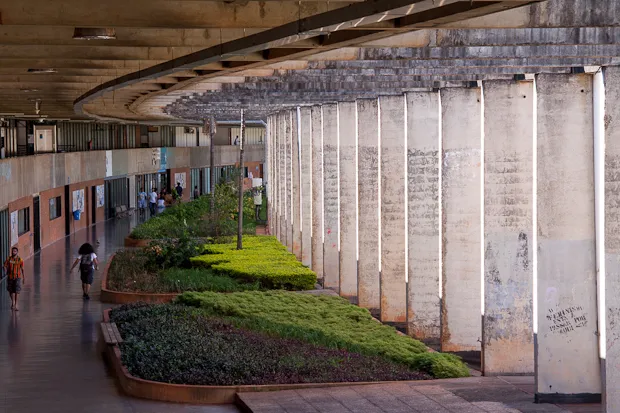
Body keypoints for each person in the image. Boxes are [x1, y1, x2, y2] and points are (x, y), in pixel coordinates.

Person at [4, 247, 24, 311]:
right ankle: (13, 302)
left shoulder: (20, 260)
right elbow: (5, 265)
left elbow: (22, 269)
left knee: (16, 291)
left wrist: (24, 277)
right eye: (13, 251)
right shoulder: (9, 259)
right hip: (10, 277)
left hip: (17, 277)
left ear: (17, 252)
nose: (13, 252)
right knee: (10, 290)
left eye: (15, 251)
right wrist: (5, 270)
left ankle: (16, 304)